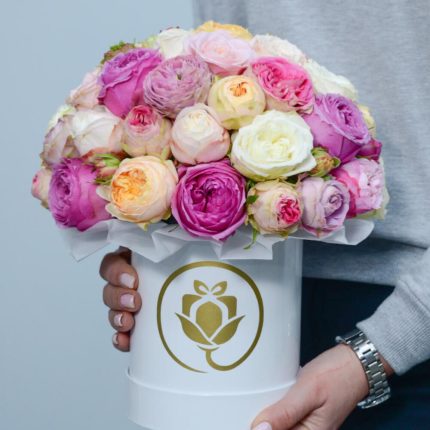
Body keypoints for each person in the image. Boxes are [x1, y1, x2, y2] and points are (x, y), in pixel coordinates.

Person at [99, 1, 430, 429]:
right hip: (250, 281)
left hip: (408, 325)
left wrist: (383, 347)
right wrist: (159, 246)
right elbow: (217, 93)